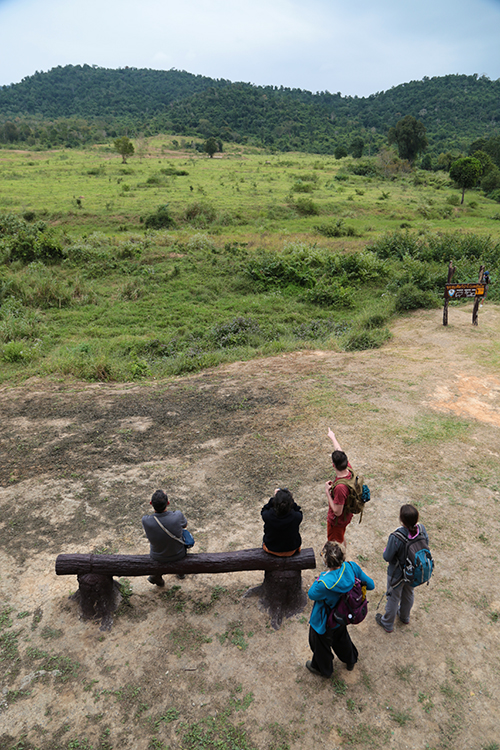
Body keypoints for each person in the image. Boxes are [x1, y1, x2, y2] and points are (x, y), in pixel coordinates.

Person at [307, 542, 374, 676]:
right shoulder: (351, 567)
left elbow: (311, 594)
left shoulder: (324, 584)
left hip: (325, 621)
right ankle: (350, 660)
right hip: (342, 616)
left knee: (319, 645)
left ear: (326, 561)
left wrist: (322, 576)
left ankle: (322, 669)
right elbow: (370, 585)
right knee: (341, 638)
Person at [375, 504, 429, 633]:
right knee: (408, 593)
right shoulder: (422, 529)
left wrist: (385, 550)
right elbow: (425, 544)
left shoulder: (396, 536)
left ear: (401, 519)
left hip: (397, 574)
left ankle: (387, 623)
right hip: (413, 572)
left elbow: (387, 556)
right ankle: (405, 617)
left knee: (393, 598)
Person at [142, 489, 188, 587]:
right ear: (168, 503)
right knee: (182, 535)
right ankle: (180, 572)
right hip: (179, 554)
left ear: (151, 503)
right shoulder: (177, 515)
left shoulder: (146, 520)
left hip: (157, 556)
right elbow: (185, 526)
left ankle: (157, 577)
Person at [325, 428, 355, 544]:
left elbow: (337, 512)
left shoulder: (340, 488)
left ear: (333, 465)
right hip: (346, 517)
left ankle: (336, 561)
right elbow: (340, 451)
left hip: (337, 521)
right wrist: (332, 437)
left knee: (335, 544)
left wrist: (327, 492)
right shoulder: (349, 470)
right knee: (340, 537)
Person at [261, 488, 302, 556]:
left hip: (271, 549)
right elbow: (297, 509)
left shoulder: (267, 516)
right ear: (290, 504)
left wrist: (274, 499)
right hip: (291, 550)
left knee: (264, 543)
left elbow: (264, 509)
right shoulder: (297, 516)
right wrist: (289, 499)